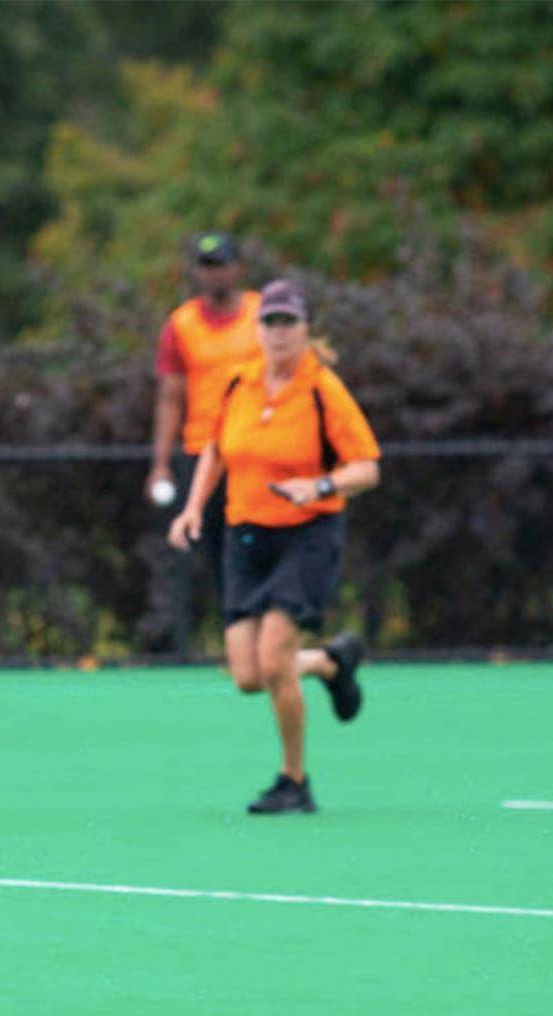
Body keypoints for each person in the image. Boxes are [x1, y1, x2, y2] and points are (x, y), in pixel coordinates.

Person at [167, 279, 379, 814]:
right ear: (257, 329)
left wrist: (321, 485)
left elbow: (366, 468)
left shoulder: (321, 389)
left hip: (306, 536)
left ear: (306, 330)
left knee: (274, 657)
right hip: (245, 535)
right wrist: (193, 508)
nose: (279, 332)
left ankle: (294, 781)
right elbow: (215, 450)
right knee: (248, 675)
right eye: (270, 322)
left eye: (289, 322)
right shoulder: (239, 382)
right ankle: (330, 663)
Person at [149, 233, 262, 647]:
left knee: (261, 542)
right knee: (216, 551)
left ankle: (266, 634)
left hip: (257, 452)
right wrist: (161, 464)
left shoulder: (263, 314)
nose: (215, 274)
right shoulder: (182, 324)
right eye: (207, 266)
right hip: (203, 454)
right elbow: (170, 398)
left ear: (238, 268)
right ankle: (240, 638)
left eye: (222, 265)